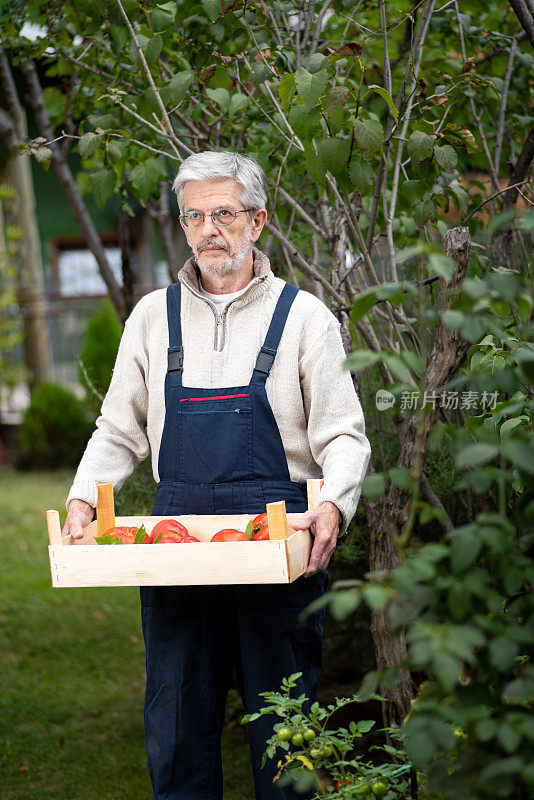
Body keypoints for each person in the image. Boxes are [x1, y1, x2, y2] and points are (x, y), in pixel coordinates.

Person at [63, 151, 371, 800]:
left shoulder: (305, 318)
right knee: (176, 730)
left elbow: (343, 434)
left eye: (224, 214)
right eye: (195, 216)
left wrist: (334, 507)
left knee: (286, 738)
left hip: (279, 546)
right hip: (177, 551)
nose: (209, 230)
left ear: (258, 222)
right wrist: (83, 500)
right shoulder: (152, 318)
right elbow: (118, 431)